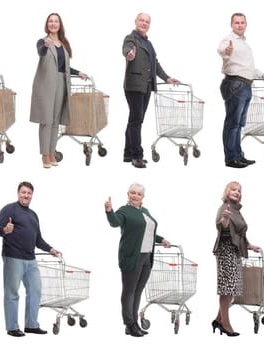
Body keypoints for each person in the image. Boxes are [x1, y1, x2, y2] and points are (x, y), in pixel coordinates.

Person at [0, 181, 61, 337]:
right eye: (23, 192)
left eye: (29, 193)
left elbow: (38, 239)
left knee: (36, 290)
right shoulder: (9, 209)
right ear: (18, 193)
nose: (26, 195)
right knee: (12, 292)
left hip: (31, 259)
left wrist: (50, 249)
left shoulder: (33, 215)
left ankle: (31, 325)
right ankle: (12, 327)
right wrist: (5, 229)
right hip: (13, 256)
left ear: (32, 195)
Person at [105, 183, 172, 337]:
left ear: (143, 197)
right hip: (132, 256)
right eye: (132, 193)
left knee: (138, 291)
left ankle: (133, 324)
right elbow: (115, 222)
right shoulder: (124, 211)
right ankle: (129, 324)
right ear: (128, 194)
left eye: (138, 194)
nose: (134, 196)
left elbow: (148, 233)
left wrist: (161, 240)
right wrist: (109, 211)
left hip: (147, 256)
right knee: (129, 292)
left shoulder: (145, 211)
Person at [30, 13, 88, 169]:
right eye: (50, 21)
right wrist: (46, 45)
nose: (53, 24)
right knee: (46, 120)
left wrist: (78, 73)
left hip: (62, 82)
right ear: (47, 24)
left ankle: (51, 153)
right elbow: (41, 52)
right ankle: (44, 155)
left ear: (60, 24)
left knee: (55, 120)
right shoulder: (42, 42)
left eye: (56, 21)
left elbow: (65, 66)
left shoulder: (63, 44)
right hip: (46, 85)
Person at [122, 13, 180, 169]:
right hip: (134, 85)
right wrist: (129, 54)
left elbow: (155, 63)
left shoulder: (148, 43)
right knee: (136, 120)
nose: (144, 23)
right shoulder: (131, 38)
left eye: (147, 21)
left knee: (135, 119)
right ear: (135, 21)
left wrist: (166, 78)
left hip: (147, 86)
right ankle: (137, 156)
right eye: (141, 20)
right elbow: (127, 49)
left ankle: (128, 153)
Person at [217, 12, 264, 168]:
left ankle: (238, 155)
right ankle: (231, 158)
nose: (240, 25)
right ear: (231, 25)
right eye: (236, 23)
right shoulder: (229, 40)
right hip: (235, 84)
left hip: (246, 85)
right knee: (232, 124)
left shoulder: (244, 43)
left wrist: (262, 74)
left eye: (242, 22)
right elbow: (221, 50)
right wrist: (226, 51)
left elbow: (248, 67)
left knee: (239, 124)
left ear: (246, 25)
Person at [212, 181, 260, 337]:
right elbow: (223, 227)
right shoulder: (224, 208)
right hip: (226, 251)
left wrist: (249, 245)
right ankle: (225, 324)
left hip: (235, 251)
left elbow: (239, 232)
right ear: (227, 192)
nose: (237, 192)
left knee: (231, 290)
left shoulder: (236, 210)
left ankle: (218, 320)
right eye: (233, 189)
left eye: (239, 190)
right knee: (227, 290)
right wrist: (225, 219)